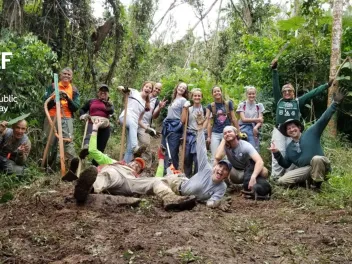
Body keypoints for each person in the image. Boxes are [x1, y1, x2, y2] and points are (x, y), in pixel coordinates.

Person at [71, 119, 197, 211]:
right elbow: (93, 151)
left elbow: (158, 176)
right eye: (135, 162)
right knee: (109, 173)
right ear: (129, 161)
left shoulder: (137, 176)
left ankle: (171, 199)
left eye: (139, 166)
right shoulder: (114, 162)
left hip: (131, 183)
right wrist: (95, 129)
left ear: (140, 171)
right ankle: (88, 189)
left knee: (157, 180)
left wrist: (161, 158)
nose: (136, 165)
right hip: (117, 173)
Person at [269, 88, 347, 188]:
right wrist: (276, 153)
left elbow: (324, 118)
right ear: (287, 133)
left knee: (316, 159)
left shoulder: (311, 132)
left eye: (293, 127)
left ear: (299, 128)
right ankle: (306, 182)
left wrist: (335, 104)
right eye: (289, 128)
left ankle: (316, 185)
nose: (292, 129)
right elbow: (285, 164)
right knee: (282, 181)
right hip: (307, 170)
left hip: (321, 166)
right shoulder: (290, 148)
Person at [270, 60, 333, 179]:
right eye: (285, 91)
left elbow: (312, 94)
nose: (287, 92)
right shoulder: (279, 100)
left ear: (293, 92)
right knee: (278, 151)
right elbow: (275, 86)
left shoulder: (298, 101)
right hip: (280, 130)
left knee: (292, 154)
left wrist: (326, 85)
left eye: (290, 91)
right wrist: (274, 71)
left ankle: (290, 176)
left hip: (293, 131)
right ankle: (275, 177)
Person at [159, 112, 232, 210]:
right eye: (220, 166)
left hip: (184, 198)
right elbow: (201, 150)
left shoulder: (222, 187)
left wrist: (216, 203)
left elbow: (210, 203)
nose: (221, 170)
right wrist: (200, 128)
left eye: (225, 169)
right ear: (215, 167)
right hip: (177, 183)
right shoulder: (206, 169)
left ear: (227, 175)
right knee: (157, 183)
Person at [215, 126, 271, 198]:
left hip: (248, 172)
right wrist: (223, 140)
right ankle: (225, 186)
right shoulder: (225, 146)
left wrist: (253, 177)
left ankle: (258, 186)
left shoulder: (245, 145)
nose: (227, 134)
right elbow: (217, 157)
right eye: (225, 133)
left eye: (229, 132)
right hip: (235, 173)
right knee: (221, 164)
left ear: (236, 134)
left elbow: (259, 161)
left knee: (264, 171)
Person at [43, 67, 80, 167]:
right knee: (50, 142)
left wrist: (68, 98)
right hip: (51, 116)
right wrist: (53, 98)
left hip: (66, 117)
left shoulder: (74, 89)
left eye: (69, 74)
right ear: (60, 75)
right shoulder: (53, 86)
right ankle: (48, 166)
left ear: (71, 77)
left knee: (68, 141)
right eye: (64, 73)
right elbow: (45, 101)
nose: (66, 76)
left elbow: (76, 107)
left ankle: (71, 166)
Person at [118, 81, 156, 163]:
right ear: (143, 87)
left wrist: (148, 129)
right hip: (125, 117)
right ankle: (135, 146)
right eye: (147, 86)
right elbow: (119, 87)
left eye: (150, 88)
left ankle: (125, 165)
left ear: (151, 91)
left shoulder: (145, 104)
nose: (148, 89)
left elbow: (139, 121)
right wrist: (124, 89)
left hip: (134, 124)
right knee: (133, 125)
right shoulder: (134, 92)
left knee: (129, 148)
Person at [79, 84, 114, 166]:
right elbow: (82, 109)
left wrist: (108, 105)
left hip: (104, 126)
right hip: (92, 123)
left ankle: (94, 167)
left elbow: (111, 111)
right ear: (98, 93)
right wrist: (83, 115)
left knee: (100, 150)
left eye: (105, 91)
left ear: (108, 94)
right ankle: (85, 149)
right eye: (101, 91)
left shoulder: (109, 103)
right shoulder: (91, 101)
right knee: (88, 144)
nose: (103, 92)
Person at [206, 86, 240, 162]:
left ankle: (228, 173)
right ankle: (214, 172)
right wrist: (208, 136)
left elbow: (234, 118)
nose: (217, 93)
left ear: (221, 92)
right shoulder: (210, 106)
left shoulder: (228, 104)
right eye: (215, 92)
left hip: (227, 133)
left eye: (218, 91)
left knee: (229, 155)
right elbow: (208, 122)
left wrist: (238, 132)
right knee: (214, 156)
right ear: (212, 94)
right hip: (215, 133)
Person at [161, 82, 189, 173]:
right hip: (167, 125)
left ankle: (173, 173)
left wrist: (180, 126)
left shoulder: (183, 100)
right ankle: (165, 171)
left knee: (172, 152)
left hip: (175, 126)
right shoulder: (174, 99)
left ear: (185, 91)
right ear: (177, 87)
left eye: (183, 88)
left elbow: (184, 117)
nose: (181, 88)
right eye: (180, 86)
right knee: (165, 149)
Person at [181, 88, 207, 178]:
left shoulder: (205, 109)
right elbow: (183, 121)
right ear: (192, 97)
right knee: (187, 157)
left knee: (197, 158)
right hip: (189, 135)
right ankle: (187, 177)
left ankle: (196, 177)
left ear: (201, 97)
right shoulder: (189, 109)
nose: (197, 97)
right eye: (195, 95)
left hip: (200, 135)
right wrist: (185, 108)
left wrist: (202, 133)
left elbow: (207, 123)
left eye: (199, 95)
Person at [137, 82, 167, 147]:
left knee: (146, 146)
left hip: (144, 126)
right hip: (134, 122)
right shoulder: (142, 94)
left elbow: (154, 117)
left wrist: (159, 108)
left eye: (159, 89)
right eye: (156, 88)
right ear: (153, 87)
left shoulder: (157, 102)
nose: (157, 90)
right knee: (132, 146)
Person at [236, 86, 264, 151]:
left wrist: (256, 128)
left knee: (254, 149)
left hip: (254, 128)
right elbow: (243, 119)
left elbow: (261, 120)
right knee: (243, 149)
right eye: (249, 94)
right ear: (246, 95)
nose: (251, 95)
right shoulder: (242, 105)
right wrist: (257, 119)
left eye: (253, 93)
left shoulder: (259, 105)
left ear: (255, 94)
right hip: (243, 128)